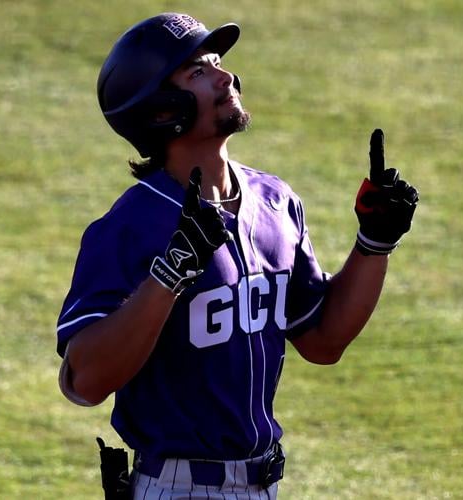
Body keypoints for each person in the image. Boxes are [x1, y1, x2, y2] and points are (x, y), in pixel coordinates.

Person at [55, 12, 418, 499]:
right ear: (163, 110)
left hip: (261, 486)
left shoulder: (274, 201)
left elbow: (323, 341)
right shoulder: (130, 227)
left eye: (218, 62)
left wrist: (375, 242)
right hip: (175, 487)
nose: (226, 76)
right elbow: (86, 380)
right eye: (199, 71)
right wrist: (167, 279)